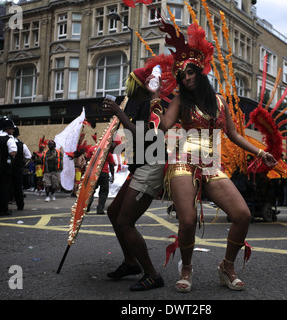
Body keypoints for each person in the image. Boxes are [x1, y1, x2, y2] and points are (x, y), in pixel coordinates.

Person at [150, 21, 277, 292]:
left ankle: (226, 267)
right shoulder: (179, 101)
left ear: (200, 73)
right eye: (183, 76)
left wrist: (261, 152)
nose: (187, 78)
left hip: (211, 165)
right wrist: (153, 103)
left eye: (191, 73)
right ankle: (186, 268)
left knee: (242, 215)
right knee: (187, 220)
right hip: (184, 161)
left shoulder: (219, 101)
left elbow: (234, 134)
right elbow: (164, 125)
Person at [99, 62, 169, 291]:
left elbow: (146, 135)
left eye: (133, 86)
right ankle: (131, 263)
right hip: (138, 166)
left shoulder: (153, 105)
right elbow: (130, 136)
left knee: (125, 222)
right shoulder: (138, 104)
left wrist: (119, 113)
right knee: (113, 212)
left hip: (151, 166)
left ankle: (152, 274)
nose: (130, 90)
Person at [0, 117, 17, 216]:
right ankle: (3, 209)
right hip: (5, 167)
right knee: (4, 188)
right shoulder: (9, 139)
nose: (13, 130)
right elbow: (13, 152)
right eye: (12, 128)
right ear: (7, 128)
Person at [86, 145, 115, 214]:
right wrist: (112, 175)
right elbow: (111, 164)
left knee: (91, 191)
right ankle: (100, 209)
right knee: (104, 192)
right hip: (104, 173)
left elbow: (87, 161)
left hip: (93, 173)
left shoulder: (91, 149)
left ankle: (87, 207)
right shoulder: (107, 151)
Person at [11, 127, 31, 210]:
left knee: (5, 186)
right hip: (17, 168)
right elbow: (28, 156)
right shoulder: (21, 144)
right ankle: (20, 205)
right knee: (18, 187)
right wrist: (23, 163)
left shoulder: (4, 140)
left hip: (6, 168)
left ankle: (3, 205)